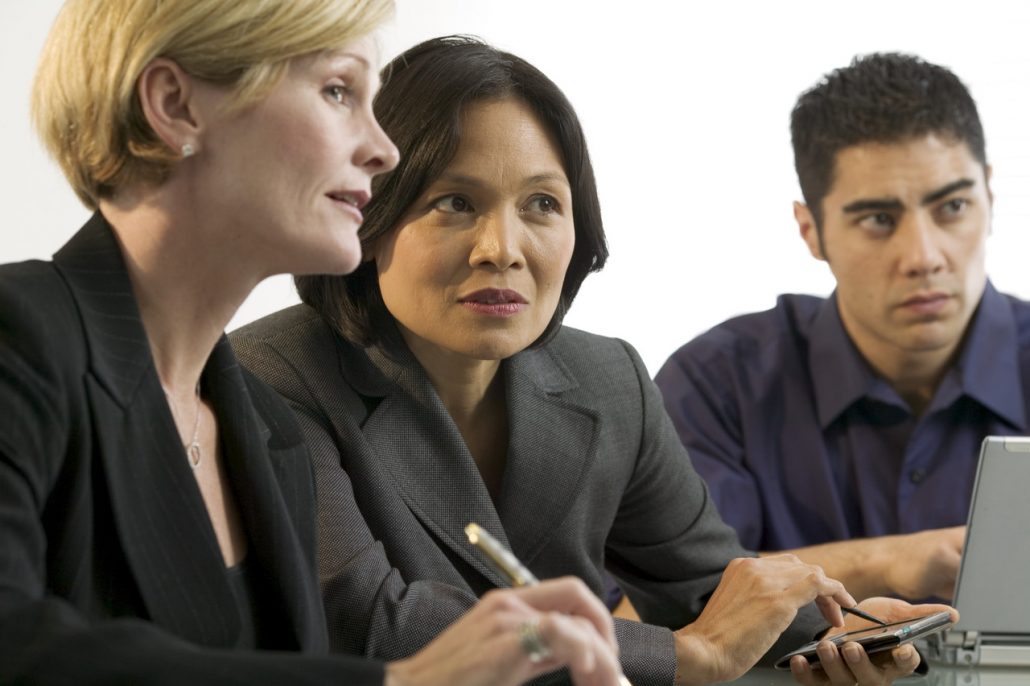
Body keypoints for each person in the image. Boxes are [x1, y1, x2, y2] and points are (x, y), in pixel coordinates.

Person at [232, 36, 953, 686]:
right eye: (454, 202)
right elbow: (372, 625)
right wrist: (688, 656)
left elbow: (708, 589)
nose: (503, 249)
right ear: (370, 211)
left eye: (542, 203)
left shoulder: (610, 382)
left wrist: (837, 630)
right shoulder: (271, 374)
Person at [0, 2, 629, 685]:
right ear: (175, 105)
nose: (383, 150)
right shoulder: (19, 337)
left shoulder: (266, 432)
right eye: (338, 91)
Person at [655, 52, 1030, 603]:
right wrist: (886, 562)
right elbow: (653, 607)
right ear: (811, 230)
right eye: (878, 219)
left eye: (952, 206)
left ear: (990, 198)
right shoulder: (716, 384)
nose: (924, 257)